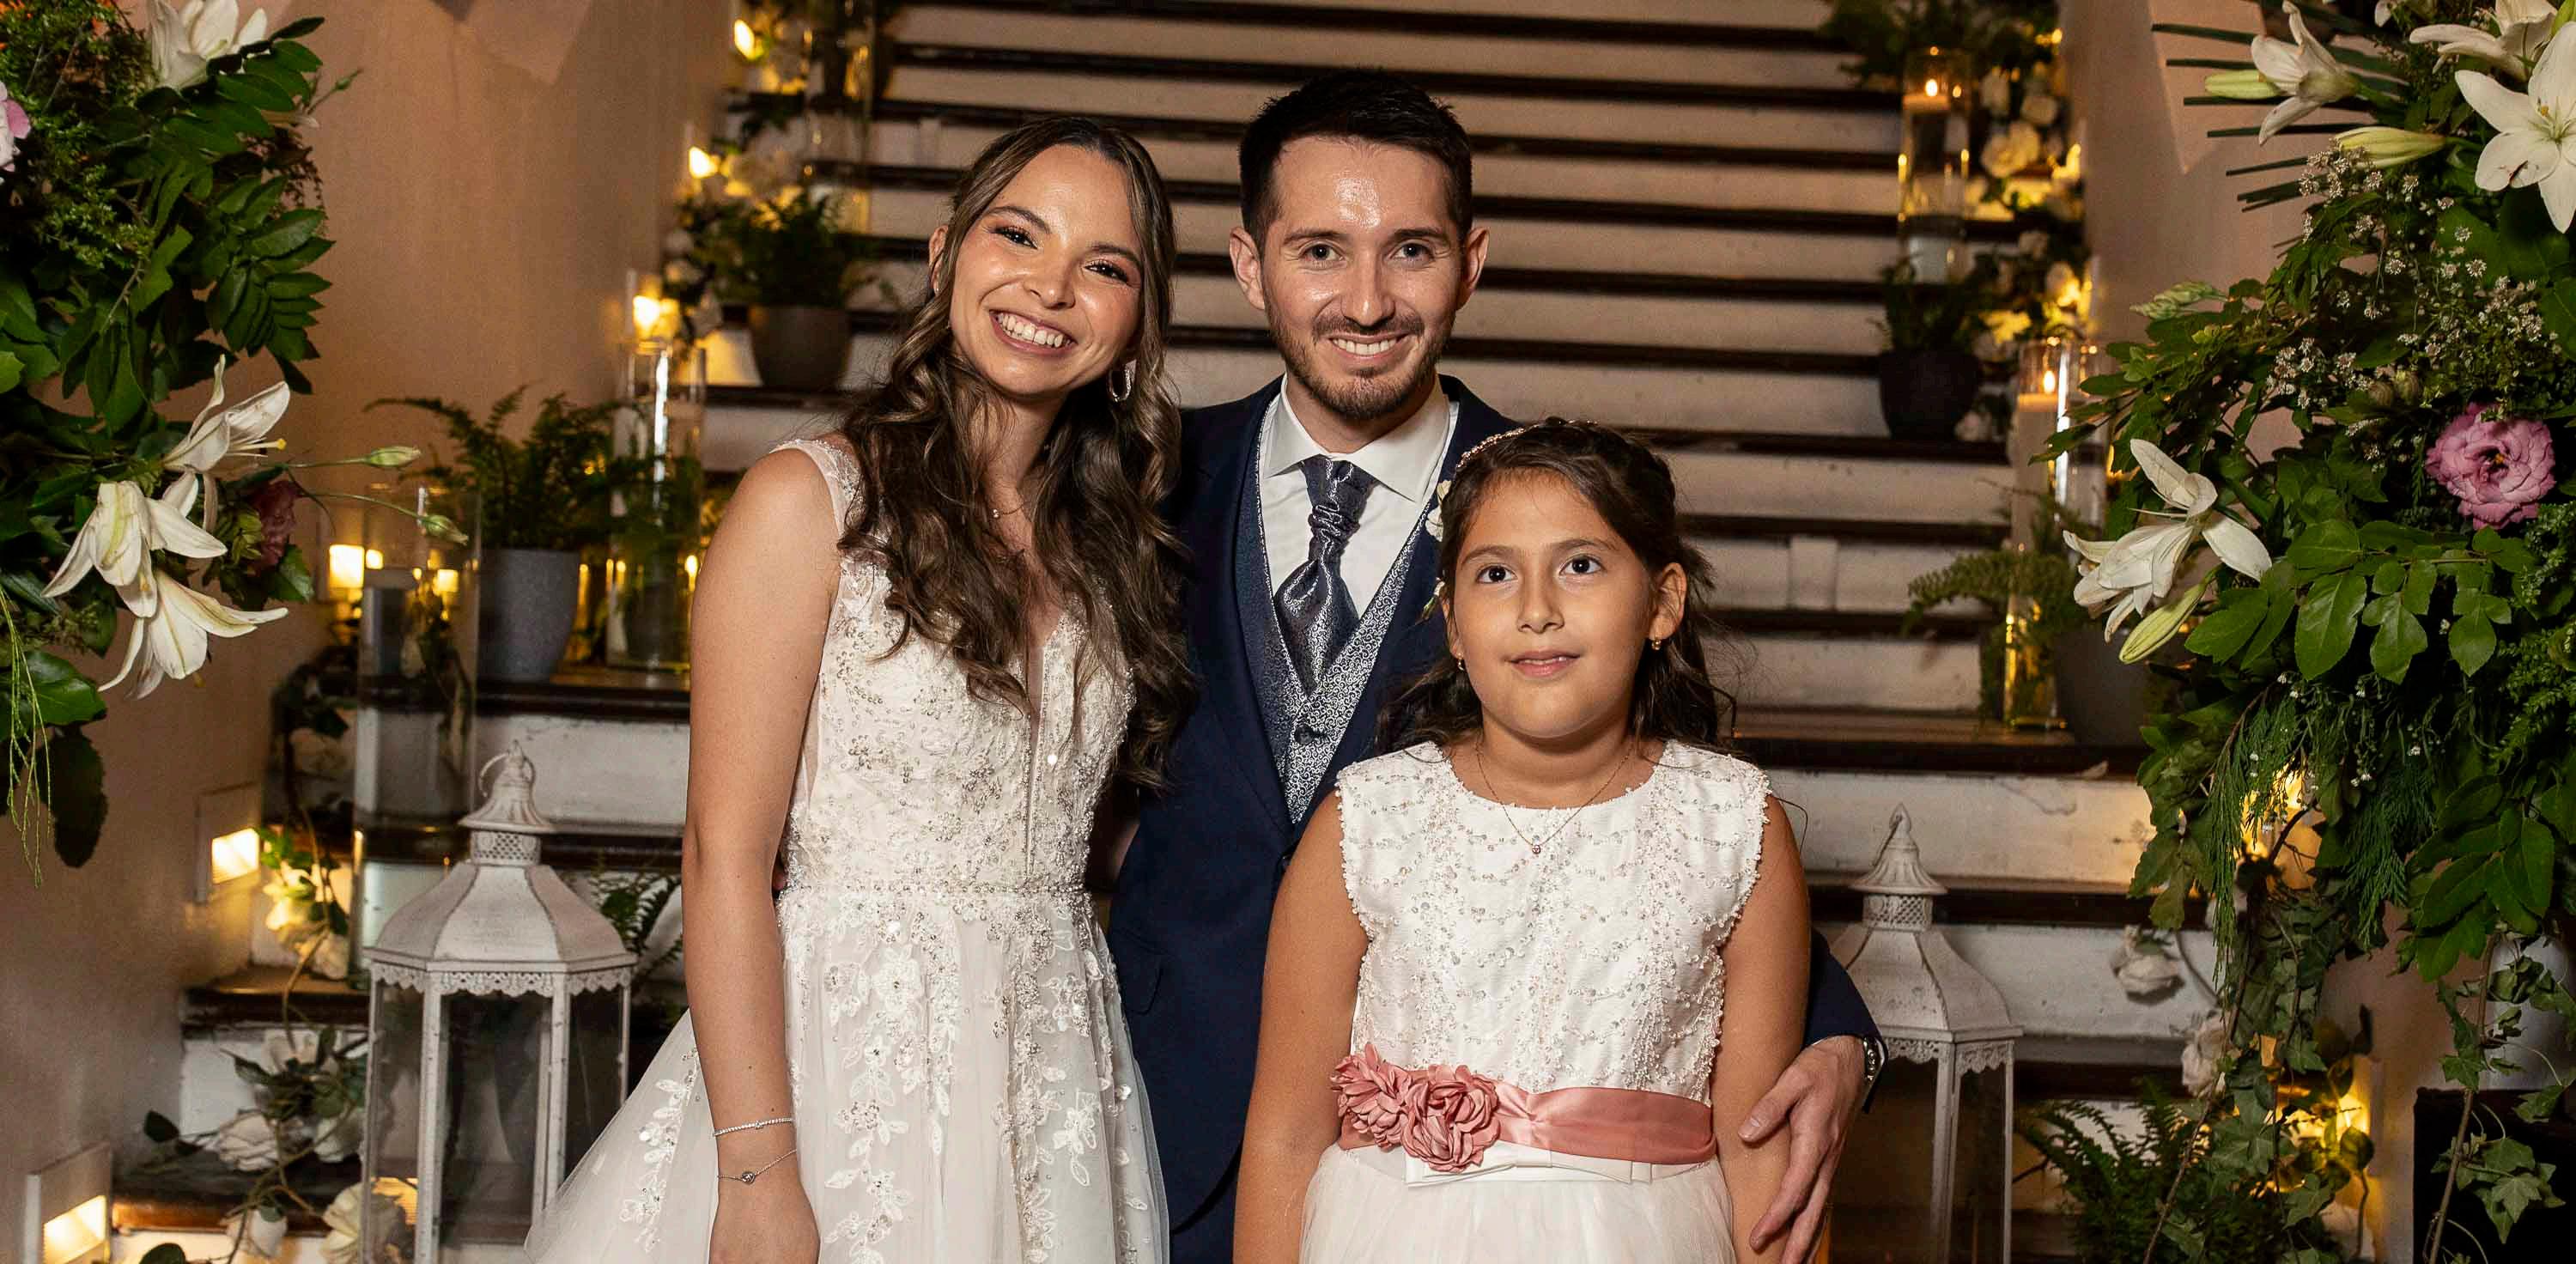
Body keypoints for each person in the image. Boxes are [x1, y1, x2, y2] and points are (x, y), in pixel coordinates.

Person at [1103, 72, 1881, 1264]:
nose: (1368, 299)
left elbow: (1654, 830)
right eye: (1321, 250)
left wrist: (1843, 1035)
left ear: (1470, 263)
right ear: (1251, 265)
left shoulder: (1541, 514)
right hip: (1154, 1108)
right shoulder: (1140, 487)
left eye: (1410, 250)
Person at [524, 116, 1188, 1263]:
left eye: (1105, 266)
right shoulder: (811, 502)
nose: (1050, 287)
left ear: (1137, 323)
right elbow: (723, 856)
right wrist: (757, 1172)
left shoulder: (1112, 547)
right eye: (1017, 235)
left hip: (1055, 1069)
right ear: (944, 255)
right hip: (847, 1067)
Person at [1239, 419, 1809, 1262]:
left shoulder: (1733, 825)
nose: (1537, 610)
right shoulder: (1367, 819)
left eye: (1581, 566)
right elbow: (1285, 1135)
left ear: (1662, 602)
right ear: (1454, 623)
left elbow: (1759, 1151)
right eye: (1496, 573)